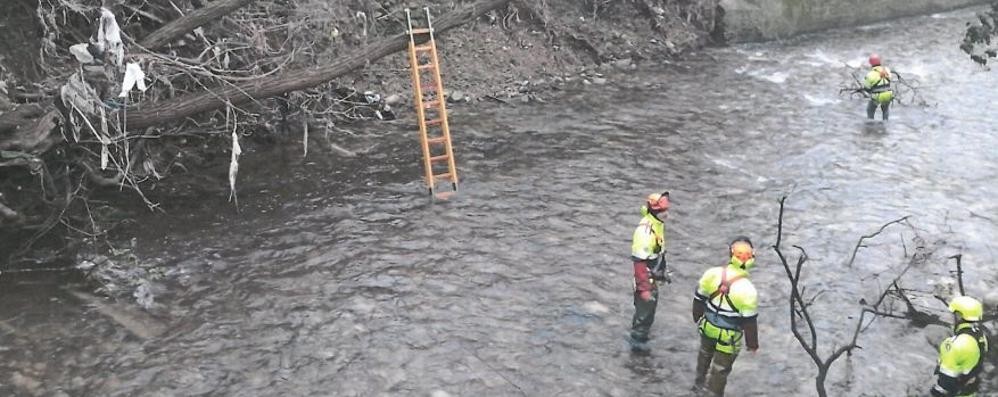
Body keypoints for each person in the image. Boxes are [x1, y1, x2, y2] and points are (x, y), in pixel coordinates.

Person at [691, 237, 759, 396]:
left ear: (730, 254)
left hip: (707, 328)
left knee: (704, 358)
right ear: (751, 258)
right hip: (728, 338)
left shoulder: (712, 274)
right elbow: (749, 322)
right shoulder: (748, 290)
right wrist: (752, 345)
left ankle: (697, 387)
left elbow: (699, 299)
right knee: (719, 371)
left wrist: (697, 317)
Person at [628, 191, 671, 352]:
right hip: (645, 280)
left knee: (646, 313)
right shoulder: (645, 232)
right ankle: (637, 347)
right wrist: (644, 289)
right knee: (644, 315)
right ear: (655, 211)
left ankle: (640, 337)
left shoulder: (656, 224)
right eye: (663, 211)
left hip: (652, 277)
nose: (667, 214)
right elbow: (639, 263)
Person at [930, 295, 990, 397]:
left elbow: (946, 382)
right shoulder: (980, 335)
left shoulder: (958, 343)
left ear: (959, 315)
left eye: (952, 313)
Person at [863, 53, 894, 121]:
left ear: (870, 63)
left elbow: (867, 88)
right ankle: (885, 122)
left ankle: (871, 123)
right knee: (885, 109)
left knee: (870, 110)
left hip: (877, 96)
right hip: (888, 94)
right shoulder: (887, 70)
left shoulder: (870, 74)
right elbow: (890, 79)